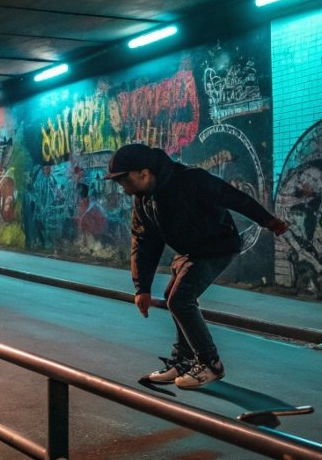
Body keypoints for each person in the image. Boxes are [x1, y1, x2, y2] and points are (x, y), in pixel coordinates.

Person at [108, 143, 288, 389]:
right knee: (173, 296)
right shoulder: (143, 200)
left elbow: (234, 197)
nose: (123, 188)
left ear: (144, 172)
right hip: (191, 251)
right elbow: (143, 242)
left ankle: (210, 363)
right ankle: (183, 360)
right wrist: (142, 288)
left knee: (180, 299)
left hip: (218, 247)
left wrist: (268, 220)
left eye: (124, 180)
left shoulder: (190, 179)